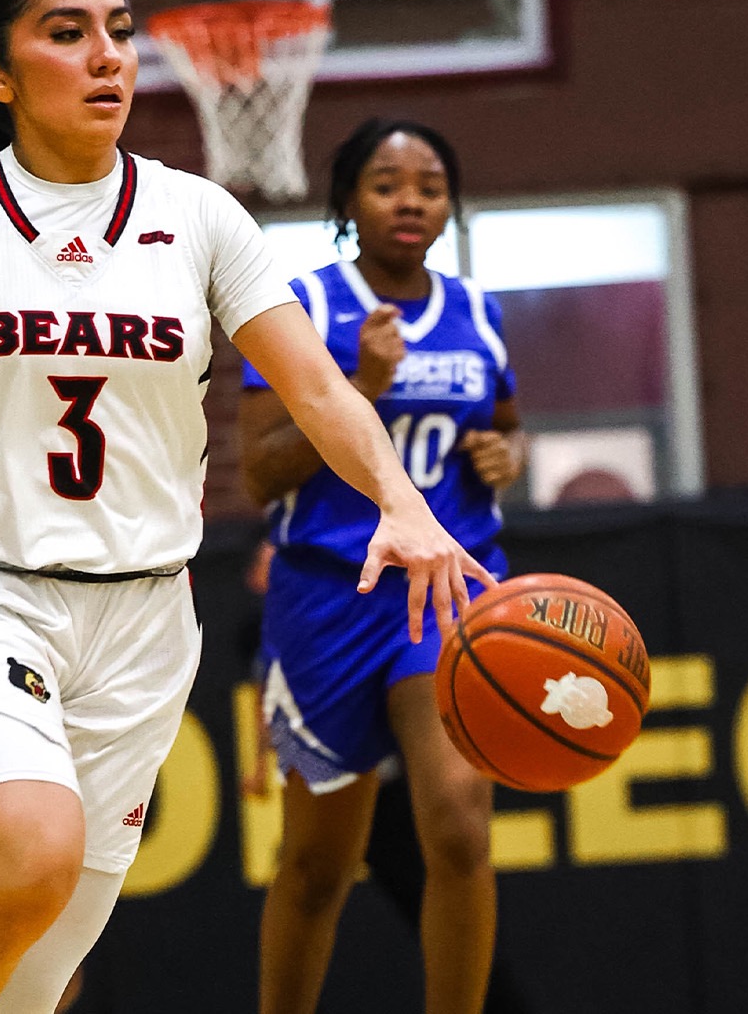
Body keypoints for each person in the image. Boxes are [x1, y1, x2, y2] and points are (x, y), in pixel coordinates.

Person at [0, 0, 490, 1014]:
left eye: (118, 27)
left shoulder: (200, 220)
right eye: (65, 33)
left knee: (38, 970)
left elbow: (322, 392)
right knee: (28, 856)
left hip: (144, 615)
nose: (106, 55)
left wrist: (404, 504)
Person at [238, 118, 526, 1014]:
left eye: (430, 186)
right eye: (387, 183)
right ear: (347, 203)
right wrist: (355, 385)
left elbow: (504, 426)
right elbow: (258, 471)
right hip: (330, 596)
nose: (411, 201)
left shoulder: (478, 312)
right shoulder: (306, 310)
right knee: (319, 864)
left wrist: (504, 457)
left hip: (445, 591)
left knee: (458, 827)